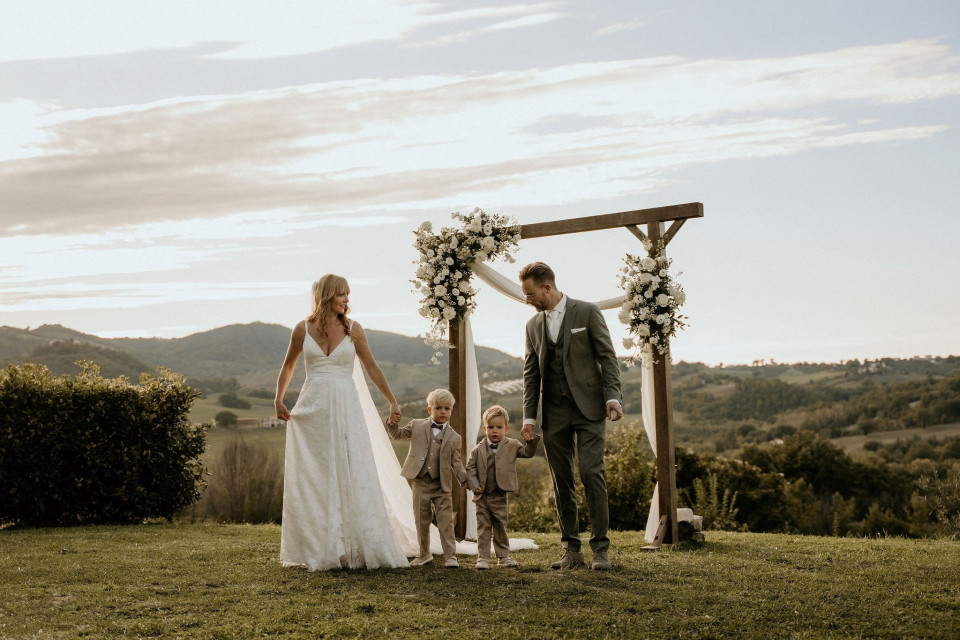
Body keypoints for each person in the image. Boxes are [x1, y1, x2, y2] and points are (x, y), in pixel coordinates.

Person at [274, 274, 409, 571]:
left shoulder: (353, 329)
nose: (347, 300)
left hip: (347, 406)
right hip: (313, 407)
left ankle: (354, 544)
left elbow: (371, 365)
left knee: (351, 469)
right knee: (317, 474)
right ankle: (321, 545)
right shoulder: (302, 329)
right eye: (342, 295)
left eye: (348, 295)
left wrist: (392, 400)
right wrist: (279, 398)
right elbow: (288, 366)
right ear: (326, 296)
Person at [518, 261, 623, 571]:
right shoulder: (532, 326)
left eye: (530, 294)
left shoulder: (587, 312)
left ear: (547, 288)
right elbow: (530, 374)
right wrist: (528, 418)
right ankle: (571, 549)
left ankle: (600, 549)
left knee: (592, 473)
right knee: (561, 479)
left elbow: (607, 356)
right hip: (553, 412)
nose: (528, 300)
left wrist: (612, 396)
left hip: (590, 408)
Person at [386, 388, 468, 569]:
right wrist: (392, 423)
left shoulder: (455, 438)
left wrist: (465, 480)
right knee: (421, 519)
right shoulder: (416, 425)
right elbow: (397, 435)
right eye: (438, 408)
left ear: (451, 411)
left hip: (442, 485)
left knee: (446, 521)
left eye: (447, 408)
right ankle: (424, 554)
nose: (443, 412)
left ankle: (450, 556)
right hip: (420, 482)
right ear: (429, 409)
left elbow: (457, 463)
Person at [466, 405, 540, 570]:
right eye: (491, 427)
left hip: (500, 496)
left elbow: (528, 453)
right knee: (483, 528)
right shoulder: (477, 450)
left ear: (506, 429)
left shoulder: (513, 445)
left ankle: (503, 557)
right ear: (484, 428)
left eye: (499, 427)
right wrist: (475, 485)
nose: (495, 431)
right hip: (482, 497)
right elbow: (470, 469)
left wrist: (531, 443)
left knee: (500, 526)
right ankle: (483, 558)